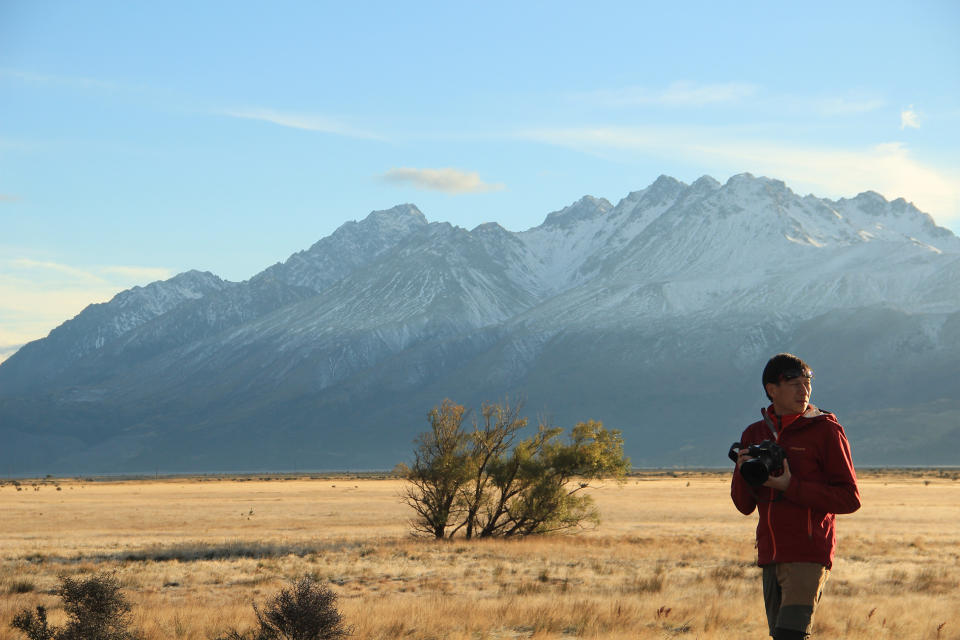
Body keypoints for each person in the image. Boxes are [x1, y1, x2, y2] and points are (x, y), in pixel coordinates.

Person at [731, 353, 860, 640]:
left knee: (790, 635)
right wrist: (743, 472)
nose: (804, 391)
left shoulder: (826, 430)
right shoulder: (754, 433)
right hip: (770, 555)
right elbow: (743, 505)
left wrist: (790, 486)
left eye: (807, 384)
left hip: (808, 554)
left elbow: (850, 498)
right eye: (795, 384)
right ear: (771, 389)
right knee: (780, 635)